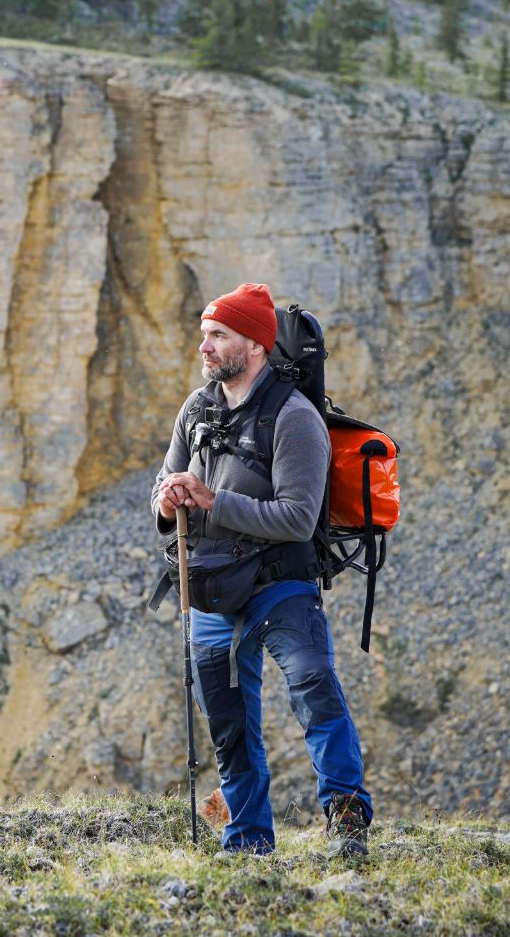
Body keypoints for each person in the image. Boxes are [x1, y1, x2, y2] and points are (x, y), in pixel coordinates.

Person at [151, 281, 372, 858]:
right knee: (228, 727)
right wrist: (168, 500)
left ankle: (347, 823)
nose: (204, 347)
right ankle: (247, 841)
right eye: (204, 335)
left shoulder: (295, 418)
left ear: (253, 345)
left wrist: (210, 501)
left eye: (217, 335)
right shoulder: (196, 408)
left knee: (315, 696)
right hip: (211, 590)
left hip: (280, 587)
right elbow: (162, 487)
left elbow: (299, 518)